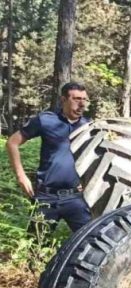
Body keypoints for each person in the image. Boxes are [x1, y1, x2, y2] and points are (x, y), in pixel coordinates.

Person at [6, 82, 92, 232]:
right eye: (77, 99)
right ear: (63, 99)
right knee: (36, 246)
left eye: (85, 99)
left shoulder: (89, 126)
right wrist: (21, 176)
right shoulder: (46, 120)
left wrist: (88, 180)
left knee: (90, 241)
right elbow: (12, 143)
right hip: (46, 196)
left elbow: (95, 155)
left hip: (75, 197)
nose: (82, 104)